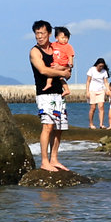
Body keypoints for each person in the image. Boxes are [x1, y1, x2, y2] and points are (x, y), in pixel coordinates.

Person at [29, 20, 72, 172]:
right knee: (47, 126)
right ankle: (44, 161)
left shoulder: (55, 49)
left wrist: (66, 71)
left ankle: (54, 159)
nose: (39, 37)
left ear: (48, 34)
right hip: (44, 95)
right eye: (36, 34)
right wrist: (63, 72)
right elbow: (43, 70)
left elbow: (67, 65)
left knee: (58, 127)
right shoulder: (35, 51)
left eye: (42, 33)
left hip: (58, 94)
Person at [85, 57, 111, 127]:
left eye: (102, 66)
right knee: (93, 108)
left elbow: (106, 82)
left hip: (101, 90)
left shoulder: (104, 71)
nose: (101, 67)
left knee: (101, 107)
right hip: (92, 90)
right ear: (97, 65)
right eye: (100, 66)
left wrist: (107, 90)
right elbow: (88, 81)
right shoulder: (92, 70)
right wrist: (87, 92)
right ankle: (91, 124)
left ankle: (101, 124)